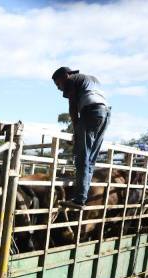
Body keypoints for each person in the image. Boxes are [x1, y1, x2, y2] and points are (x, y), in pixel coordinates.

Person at [52, 67, 111, 209]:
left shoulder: (71, 80)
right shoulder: (91, 79)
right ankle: (83, 196)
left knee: (82, 158)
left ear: (65, 76)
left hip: (91, 112)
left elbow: (72, 107)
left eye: (58, 84)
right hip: (106, 114)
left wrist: (76, 130)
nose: (59, 89)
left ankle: (79, 199)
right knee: (90, 160)